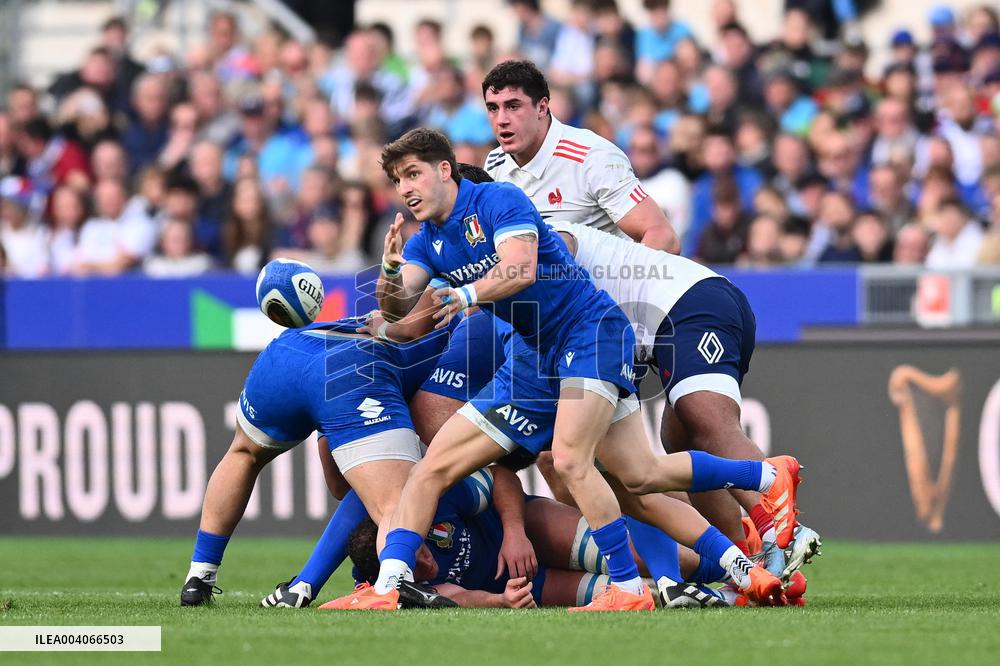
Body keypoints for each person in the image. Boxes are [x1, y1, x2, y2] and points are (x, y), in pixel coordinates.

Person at [326, 129, 791, 612]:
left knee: (571, 461)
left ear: (445, 170)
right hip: (535, 358)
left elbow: (520, 268)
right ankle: (390, 586)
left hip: (589, 334)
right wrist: (390, 270)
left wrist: (465, 295)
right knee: (444, 468)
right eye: (397, 180)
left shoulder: (498, 200)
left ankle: (629, 590)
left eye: (412, 174)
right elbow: (399, 306)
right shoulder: (427, 241)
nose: (405, 188)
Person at [481, 60, 678, 252]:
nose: (501, 120)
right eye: (493, 108)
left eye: (513, 106)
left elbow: (664, 237)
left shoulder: (592, 157)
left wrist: (624, 275)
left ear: (542, 108)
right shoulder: (495, 163)